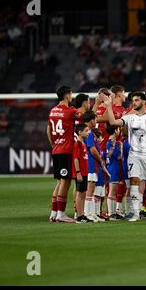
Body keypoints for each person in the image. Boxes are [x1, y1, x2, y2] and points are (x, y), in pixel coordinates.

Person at [107, 91, 146, 222]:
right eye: (133, 100)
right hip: (134, 155)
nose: (134, 102)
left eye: (137, 100)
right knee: (134, 181)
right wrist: (109, 106)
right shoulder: (129, 117)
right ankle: (136, 213)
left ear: (144, 102)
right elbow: (113, 122)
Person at [47, 86, 80, 223]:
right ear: (67, 95)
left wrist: (54, 145)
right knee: (65, 182)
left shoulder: (52, 111)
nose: (72, 96)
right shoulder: (70, 111)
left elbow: (48, 131)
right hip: (66, 150)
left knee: (60, 182)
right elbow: (85, 116)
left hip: (57, 149)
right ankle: (61, 214)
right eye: (71, 94)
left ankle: (54, 214)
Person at [82, 110, 109, 222]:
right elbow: (92, 150)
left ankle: (92, 213)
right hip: (90, 164)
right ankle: (87, 213)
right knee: (90, 189)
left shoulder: (91, 132)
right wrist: (101, 162)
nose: (96, 121)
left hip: (93, 165)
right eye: (95, 119)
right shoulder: (88, 132)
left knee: (91, 190)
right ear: (91, 120)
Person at [73, 124, 93, 223]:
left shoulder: (83, 143)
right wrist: (78, 172)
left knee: (83, 193)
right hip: (80, 173)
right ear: (80, 132)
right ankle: (79, 216)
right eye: (86, 130)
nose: (88, 132)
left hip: (85, 172)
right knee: (80, 194)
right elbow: (76, 159)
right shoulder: (77, 144)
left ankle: (82, 214)